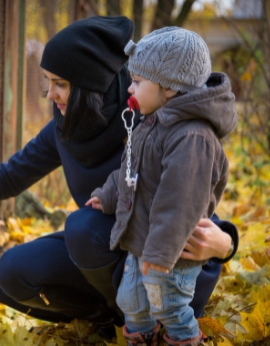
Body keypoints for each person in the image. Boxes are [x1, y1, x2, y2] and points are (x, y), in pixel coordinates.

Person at [0, 16, 238, 338]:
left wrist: (226, 244)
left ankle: (149, 319)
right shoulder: (67, 127)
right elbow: (11, 175)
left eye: (60, 84)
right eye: (48, 81)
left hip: (169, 263)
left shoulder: (151, 113)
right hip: (111, 251)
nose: (50, 94)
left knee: (83, 227)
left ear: (90, 84)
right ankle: (112, 317)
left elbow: (189, 198)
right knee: (14, 270)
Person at [87, 27, 237, 344]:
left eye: (138, 82)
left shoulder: (191, 137)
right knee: (131, 302)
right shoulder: (154, 121)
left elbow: (180, 203)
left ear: (169, 88)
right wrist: (109, 194)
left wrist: (160, 253)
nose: (130, 87)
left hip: (172, 253)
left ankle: (185, 338)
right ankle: (142, 336)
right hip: (143, 244)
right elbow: (131, 168)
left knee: (169, 306)